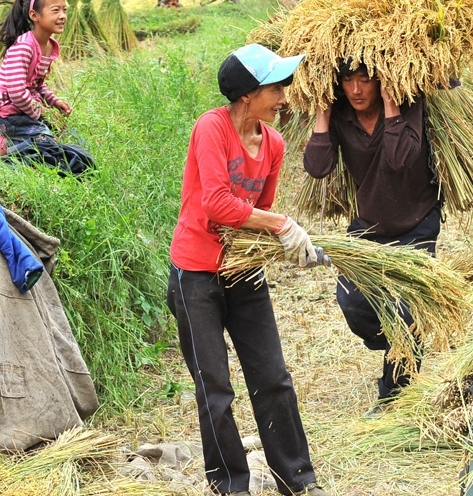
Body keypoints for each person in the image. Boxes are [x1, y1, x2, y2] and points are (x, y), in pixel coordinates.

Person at [167, 44, 329, 496]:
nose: (284, 97)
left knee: (272, 377)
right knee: (215, 389)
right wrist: (281, 225)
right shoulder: (211, 129)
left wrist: (281, 240)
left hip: (242, 272)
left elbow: (257, 212)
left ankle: (298, 480)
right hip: (196, 273)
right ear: (247, 95)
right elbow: (217, 204)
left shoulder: (273, 144)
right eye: (276, 88)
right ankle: (231, 486)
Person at [303, 61, 440, 415]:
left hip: (417, 223)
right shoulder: (342, 116)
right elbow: (318, 167)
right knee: (353, 303)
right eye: (348, 80)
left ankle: (394, 396)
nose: (357, 90)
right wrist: (322, 113)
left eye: (365, 80)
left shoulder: (411, 104)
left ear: (383, 80)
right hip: (367, 227)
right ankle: (403, 345)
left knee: (408, 310)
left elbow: (400, 158)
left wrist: (393, 104)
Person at [0, 0, 73, 157]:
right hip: (7, 112)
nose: (62, 16)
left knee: (67, 137)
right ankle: (5, 151)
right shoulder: (24, 47)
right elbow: (17, 92)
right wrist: (43, 112)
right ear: (34, 15)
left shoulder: (48, 45)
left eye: (64, 10)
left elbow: (37, 84)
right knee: (47, 145)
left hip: (23, 110)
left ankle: (13, 140)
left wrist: (54, 101)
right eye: (55, 10)